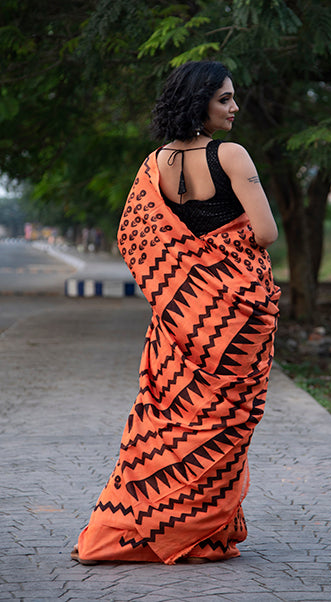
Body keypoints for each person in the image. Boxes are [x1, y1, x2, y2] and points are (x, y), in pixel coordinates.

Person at [71, 60, 281, 566]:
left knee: (170, 418)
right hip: (235, 315)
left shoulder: (153, 165)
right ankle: (202, 533)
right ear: (200, 102)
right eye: (224, 99)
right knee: (223, 424)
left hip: (181, 315)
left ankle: (138, 526)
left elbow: (135, 237)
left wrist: (189, 269)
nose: (235, 107)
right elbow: (267, 231)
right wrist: (222, 259)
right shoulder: (231, 155)